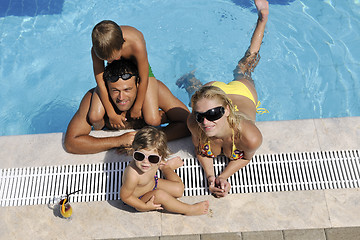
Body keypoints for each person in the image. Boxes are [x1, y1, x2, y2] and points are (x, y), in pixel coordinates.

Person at [177, 0, 269, 198]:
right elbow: (200, 150)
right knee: (193, 89)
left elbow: (245, 158)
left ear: (227, 109)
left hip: (241, 91)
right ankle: (189, 79)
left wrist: (224, 176)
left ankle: (262, 19)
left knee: (245, 66)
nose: (206, 122)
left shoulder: (250, 136)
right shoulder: (195, 123)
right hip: (213, 91)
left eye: (213, 114)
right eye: (200, 116)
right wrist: (211, 177)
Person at [64, 58, 190, 154]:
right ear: (106, 88)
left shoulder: (155, 92)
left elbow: (190, 123)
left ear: (138, 85)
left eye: (127, 89)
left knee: (195, 99)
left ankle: (189, 81)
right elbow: (71, 143)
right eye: (115, 90)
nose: (121, 97)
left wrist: (150, 140)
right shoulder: (93, 98)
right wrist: (118, 141)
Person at [120, 126, 209, 215]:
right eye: (139, 156)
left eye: (153, 158)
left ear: (160, 157)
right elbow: (125, 197)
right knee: (160, 195)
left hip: (152, 184)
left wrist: (163, 164)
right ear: (134, 152)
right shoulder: (133, 175)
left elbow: (154, 159)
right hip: (140, 200)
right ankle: (189, 210)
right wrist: (144, 206)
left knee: (179, 190)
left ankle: (166, 168)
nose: (145, 162)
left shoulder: (154, 160)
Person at [90, 20, 161, 130]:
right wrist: (111, 113)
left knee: (153, 120)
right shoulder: (97, 50)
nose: (110, 61)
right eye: (106, 60)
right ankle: (101, 131)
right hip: (114, 72)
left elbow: (143, 79)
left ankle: (164, 115)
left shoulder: (136, 45)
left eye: (114, 58)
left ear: (122, 44)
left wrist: (137, 106)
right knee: (95, 117)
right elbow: (100, 82)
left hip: (136, 67)